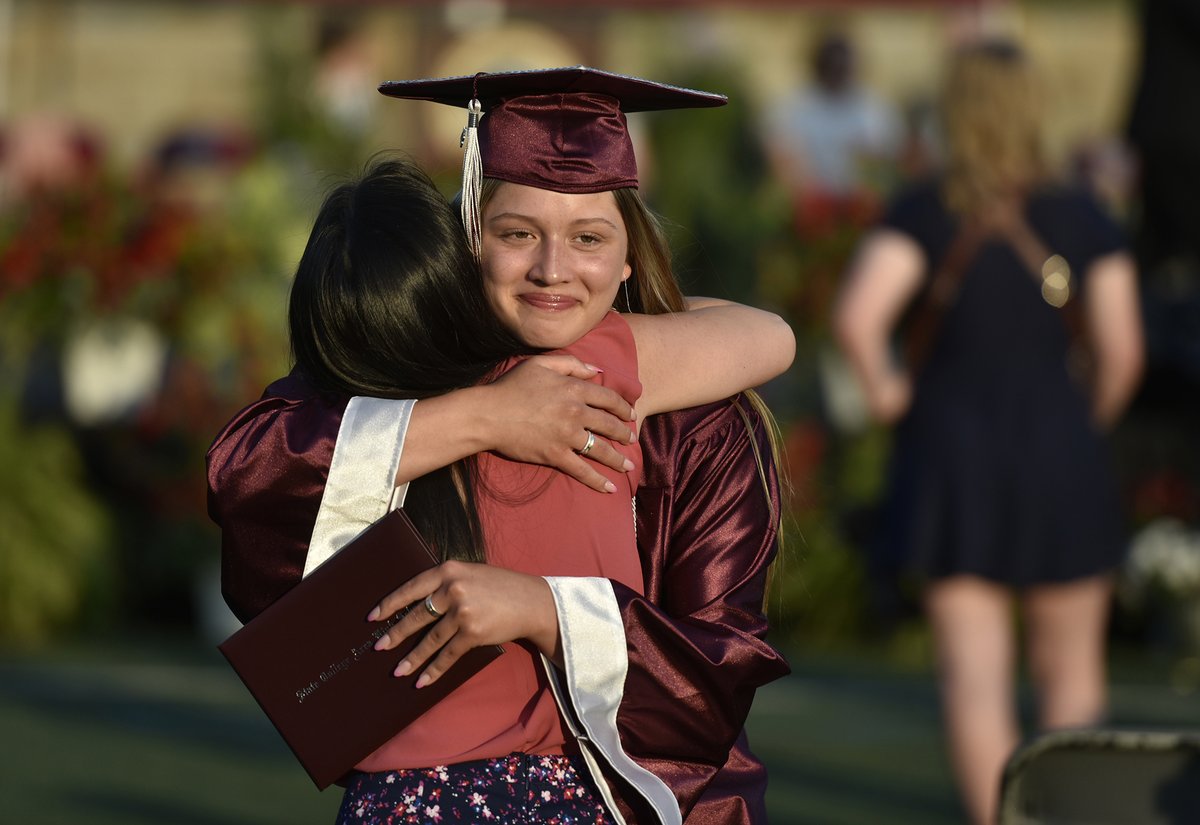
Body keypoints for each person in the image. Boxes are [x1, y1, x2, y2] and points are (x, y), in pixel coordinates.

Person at [208, 68, 793, 824]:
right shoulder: (397, 373)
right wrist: (486, 415)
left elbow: (718, 663)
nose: (552, 269)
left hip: (611, 795)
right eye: (515, 234)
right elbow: (248, 474)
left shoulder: (682, 407)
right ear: (466, 243)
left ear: (625, 255)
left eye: (588, 237)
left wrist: (544, 608)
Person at [832, 41, 1144, 825]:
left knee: (974, 678)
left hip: (951, 457)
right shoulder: (1082, 215)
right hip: (1060, 451)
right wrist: (1084, 420)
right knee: (1071, 673)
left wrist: (889, 394)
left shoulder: (924, 210)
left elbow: (857, 318)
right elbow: (1124, 351)